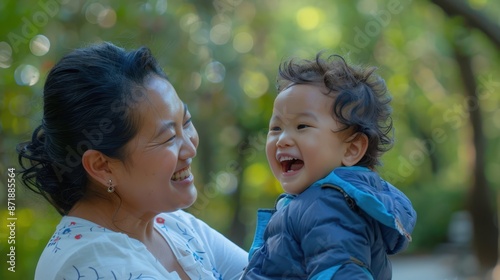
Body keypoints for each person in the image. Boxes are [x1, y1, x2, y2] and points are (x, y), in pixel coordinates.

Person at [17, 42, 247, 279]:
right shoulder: (91, 266)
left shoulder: (169, 223)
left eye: (186, 122)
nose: (190, 148)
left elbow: (269, 271)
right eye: (168, 138)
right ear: (102, 166)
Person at [241, 52, 417, 279]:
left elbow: (342, 271)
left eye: (302, 126)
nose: (282, 139)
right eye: (275, 128)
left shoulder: (327, 206)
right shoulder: (313, 204)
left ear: (351, 149)